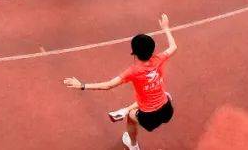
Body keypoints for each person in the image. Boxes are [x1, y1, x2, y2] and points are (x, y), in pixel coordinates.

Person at [62, 14, 178, 150]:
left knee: (131, 117)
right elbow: (173, 46)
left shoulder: (133, 71)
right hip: (167, 111)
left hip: (149, 118)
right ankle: (125, 110)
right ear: (152, 49)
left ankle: (133, 145)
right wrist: (166, 28)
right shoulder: (159, 58)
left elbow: (108, 85)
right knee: (159, 93)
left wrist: (82, 85)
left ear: (134, 53)